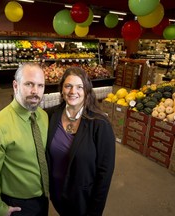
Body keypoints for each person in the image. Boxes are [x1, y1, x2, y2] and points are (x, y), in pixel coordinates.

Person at [0, 62, 49, 216]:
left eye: (40, 85)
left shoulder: (43, 117)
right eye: (29, 84)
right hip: (18, 204)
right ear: (15, 86)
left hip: (43, 197)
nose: (35, 91)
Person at [46, 66, 115, 216]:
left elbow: (105, 173)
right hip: (57, 193)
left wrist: (95, 211)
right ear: (61, 89)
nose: (73, 92)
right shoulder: (51, 115)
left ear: (87, 91)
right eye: (68, 86)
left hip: (83, 199)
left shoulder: (100, 124)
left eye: (79, 87)